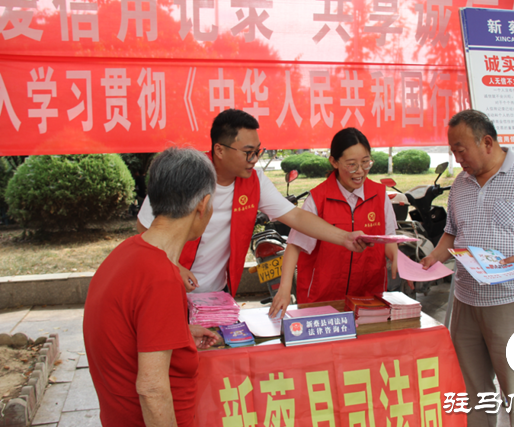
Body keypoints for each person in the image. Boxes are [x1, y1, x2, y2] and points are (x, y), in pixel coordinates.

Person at [420, 110, 514, 427]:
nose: (457, 158)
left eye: (461, 150)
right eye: (453, 151)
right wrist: (433, 257)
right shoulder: (460, 184)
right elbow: (452, 232)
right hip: (466, 302)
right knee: (474, 396)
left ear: (487, 142)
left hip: (513, 301)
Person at [137, 109, 367, 296]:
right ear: (219, 150)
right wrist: (174, 268)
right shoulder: (186, 173)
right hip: (170, 287)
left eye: (258, 151)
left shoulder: (254, 181)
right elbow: (145, 228)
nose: (255, 159)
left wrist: (344, 237)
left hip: (218, 292)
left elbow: (294, 216)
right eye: (248, 152)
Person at [84, 148, 222, 427]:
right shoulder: (160, 277)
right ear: (202, 204)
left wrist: (179, 334)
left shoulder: (126, 253)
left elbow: (127, 331)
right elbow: (151, 389)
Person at [269, 128, 398, 318]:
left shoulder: (379, 195)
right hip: (323, 298)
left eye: (365, 162)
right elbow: (295, 246)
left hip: (368, 297)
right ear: (334, 162)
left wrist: (397, 259)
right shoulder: (318, 199)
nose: (360, 171)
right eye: (352, 165)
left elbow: (388, 240)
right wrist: (285, 289)